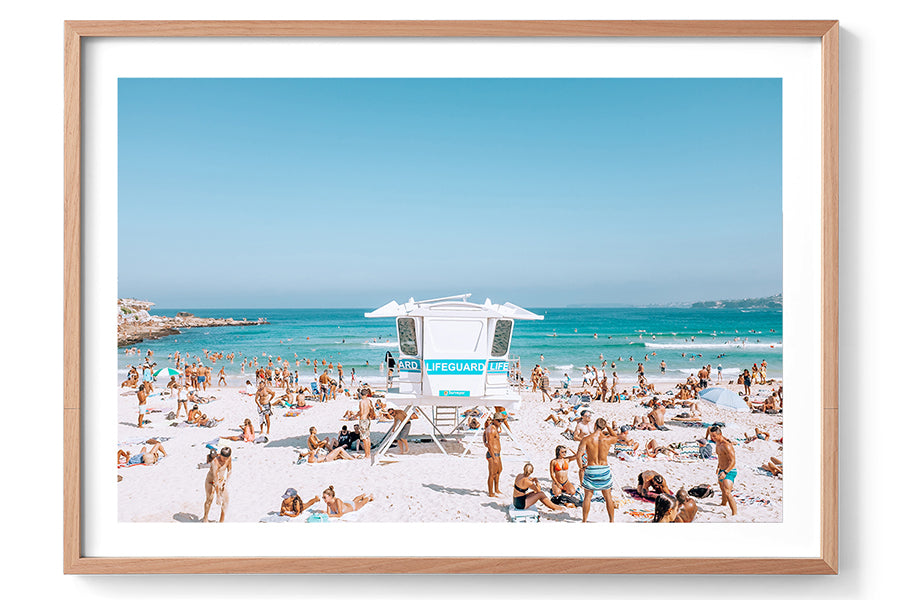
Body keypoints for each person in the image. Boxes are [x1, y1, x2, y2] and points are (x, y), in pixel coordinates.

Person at [576, 418, 618, 522]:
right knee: (608, 496)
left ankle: (584, 520)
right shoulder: (607, 439)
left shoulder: (586, 439)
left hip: (591, 468)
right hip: (603, 468)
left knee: (588, 496)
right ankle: (612, 521)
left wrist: (581, 467)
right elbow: (615, 436)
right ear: (604, 427)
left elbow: (578, 456)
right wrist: (608, 427)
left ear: (594, 425)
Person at [708, 425, 738, 516]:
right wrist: (718, 467)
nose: (712, 438)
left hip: (729, 471)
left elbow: (733, 461)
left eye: (714, 436)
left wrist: (725, 472)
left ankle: (734, 514)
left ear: (720, 434)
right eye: (711, 436)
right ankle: (723, 504)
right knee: (722, 488)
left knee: (727, 492)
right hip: (721, 469)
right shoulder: (717, 443)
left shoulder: (727, 446)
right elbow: (720, 457)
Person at [202, 446, 232, 522]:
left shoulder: (228, 458)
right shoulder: (215, 462)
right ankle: (205, 518)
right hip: (211, 482)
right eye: (223, 458)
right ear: (220, 455)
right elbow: (215, 479)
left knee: (226, 501)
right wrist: (218, 495)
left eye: (226, 458)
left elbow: (229, 470)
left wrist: (226, 481)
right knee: (209, 499)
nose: (224, 460)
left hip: (221, 481)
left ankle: (221, 521)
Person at [484, 417, 502, 498]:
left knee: (499, 471)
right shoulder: (491, 429)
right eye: (499, 420)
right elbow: (490, 445)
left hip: (497, 454)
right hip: (493, 454)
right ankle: (491, 493)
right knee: (492, 474)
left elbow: (484, 435)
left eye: (502, 420)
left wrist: (484, 442)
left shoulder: (494, 428)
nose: (500, 422)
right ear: (494, 420)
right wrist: (494, 457)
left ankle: (496, 489)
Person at [358, 390, 375, 458]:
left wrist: (356, 415)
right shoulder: (369, 401)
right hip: (368, 419)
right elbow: (371, 409)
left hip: (363, 420)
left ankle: (366, 455)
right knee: (367, 437)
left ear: (361, 394)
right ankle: (368, 453)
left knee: (364, 438)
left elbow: (361, 412)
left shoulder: (361, 402)